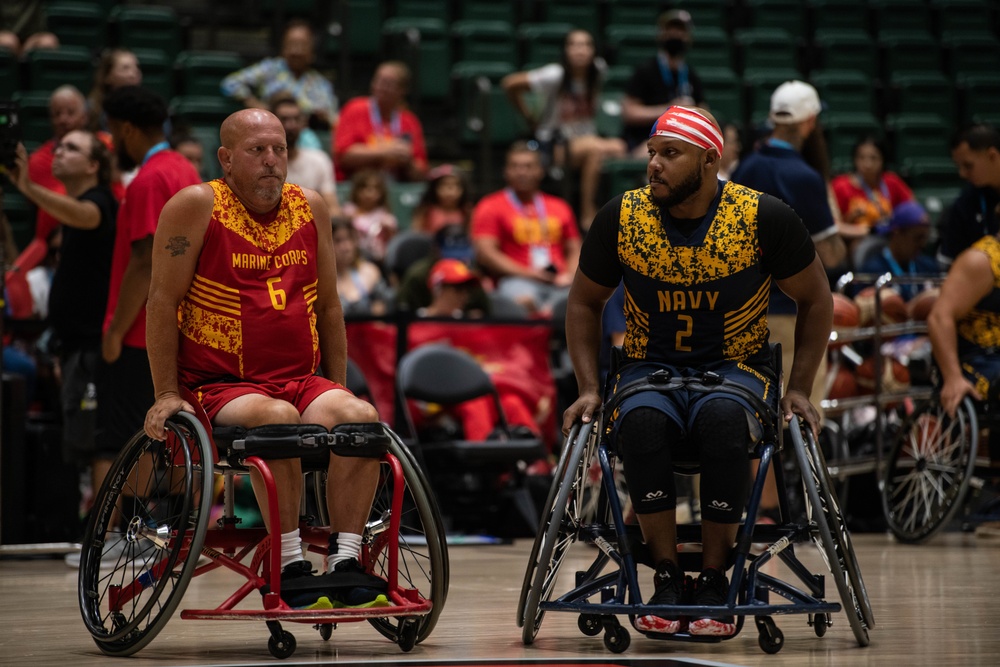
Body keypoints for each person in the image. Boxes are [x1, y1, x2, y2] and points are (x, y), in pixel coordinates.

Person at [563, 106, 831, 636]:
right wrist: (589, 388)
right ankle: (665, 574)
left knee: (724, 420)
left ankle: (713, 576)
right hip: (648, 368)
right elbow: (581, 303)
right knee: (638, 422)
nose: (654, 165)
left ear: (709, 161)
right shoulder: (623, 216)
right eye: (652, 154)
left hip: (737, 369)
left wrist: (799, 388)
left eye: (670, 154)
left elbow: (817, 300)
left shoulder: (762, 217)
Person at [143, 108, 386, 610]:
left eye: (279, 150)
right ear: (226, 159)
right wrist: (166, 393)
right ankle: (290, 559)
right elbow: (162, 302)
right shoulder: (194, 206)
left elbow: (330, 306)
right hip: (221, 384)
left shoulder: (311, 205)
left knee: (360, 418)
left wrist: (336, 386)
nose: (272, 161)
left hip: (300, 380)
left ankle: (346, 560)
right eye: (257, 151)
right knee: (280, 419)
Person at [3, 131, 117, 533]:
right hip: (73, 346)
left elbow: (83, 215)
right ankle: (94, 535)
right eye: (59, 145)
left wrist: (28, 187)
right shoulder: (73, 209)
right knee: (81, 446)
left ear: (93, 165)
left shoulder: (99, 201)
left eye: (72, 148)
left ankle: (108, 537)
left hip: (95, 347)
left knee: (100, 443)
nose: (58, 153)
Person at [502, 29, 627, 229]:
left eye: (586, 45)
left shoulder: (598, 70)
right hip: (554, 145)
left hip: (585, 141)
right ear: (565, 50)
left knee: (619, 148)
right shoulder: (555, 74)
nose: (581, 50)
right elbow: (510, 83)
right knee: (596, 150)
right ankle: (588, 213)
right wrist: (528, 116)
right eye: (574, 45)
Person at [470, 142, 581, 315]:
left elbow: (574, 248)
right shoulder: (490, 206)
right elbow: (485, 253)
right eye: (515, 167)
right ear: (505, 172)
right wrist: (529, 273)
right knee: (520, 300)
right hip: (517, 280)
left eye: (528, 166)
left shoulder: (560, 206)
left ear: (540, 171)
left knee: (582, 301)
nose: (522, 172)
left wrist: (571, 275)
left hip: (560, 281)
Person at [5, 87, 91, 287]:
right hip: (48, 249)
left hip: (92, 241)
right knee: (14, 285)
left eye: (70, 112)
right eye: (57, 114)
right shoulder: (37, 162)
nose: (63, 119)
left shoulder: (104, 148)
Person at [221, 19, 336, 147]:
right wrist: (253, 103)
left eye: (302, 45)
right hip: (268, 132)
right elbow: (230, 83)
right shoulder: (269, 69)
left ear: (312, 52)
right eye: (291, 45)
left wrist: (322, 116)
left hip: (304, 139)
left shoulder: (320, 83)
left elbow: (334, 119)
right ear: (283, 47)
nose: (296, 51)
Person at [620, 10, 705, 156]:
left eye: (680, 30)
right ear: (662, 34)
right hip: (645, 139)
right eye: (671, 29)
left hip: (682, 137)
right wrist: (669, 110)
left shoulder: (690, 74)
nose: (675, 34)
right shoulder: (646, 70)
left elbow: (704, 110)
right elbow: (630, 112)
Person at [333, 61, 428, 182]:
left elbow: (421, 173)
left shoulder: (409, 121)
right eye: (378, 81)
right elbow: (343, 155)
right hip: (356, 185)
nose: (381, 87)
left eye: (388, 84)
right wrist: (386, 152)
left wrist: (408, 162)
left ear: (402, 90)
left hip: (395, 185)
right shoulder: (355, 108)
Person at [938, 124, 1000, 268]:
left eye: (968, 166)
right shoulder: (966, 202)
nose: (962, 174)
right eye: (959, 167)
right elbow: (949, 262)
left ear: (992, 156)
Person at [831, 135, 914, 238]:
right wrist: (852, 217)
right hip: (855, 241)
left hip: (890, 238)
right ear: (854, 159)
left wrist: (892, 218)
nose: (867, 164)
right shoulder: (840, 185)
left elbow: (913, 210)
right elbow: (832, 226)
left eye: (873, 158)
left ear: (883, 160)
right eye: (861, 158)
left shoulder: (892, 182)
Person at [271, 93, 340, 216]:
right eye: (284, 119)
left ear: (303, 124)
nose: (291, 125)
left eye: (296, 119)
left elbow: (333, 209)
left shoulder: (319, 160)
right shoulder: (263, 163)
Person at [859, 201, 938, 300]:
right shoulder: (871, 271)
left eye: (925, 238)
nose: (922, 245)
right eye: (917, 238)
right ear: (897, 233)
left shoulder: (929, 267)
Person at [332, 216, 387, 316]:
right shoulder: (318, 280)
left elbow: (380, 313)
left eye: (349, 239)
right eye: (338, 241)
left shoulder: (370, 271)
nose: (346, 247)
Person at [342, 169, 397, 262]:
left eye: (375, 189)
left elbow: (393, 241)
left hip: (379, 259)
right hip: (353, 258)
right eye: (364, 188)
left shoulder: (385, 217)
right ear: (356, 191)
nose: (369, 193)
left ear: (381, 193)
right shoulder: (348, 212)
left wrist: (388, 230)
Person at [88, 49, 143, 132]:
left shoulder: (147, 108)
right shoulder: (91, 107)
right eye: (125, 68)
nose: (134, 74)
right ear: (107, 76)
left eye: (137, 67)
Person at [411, 164, 471, 236]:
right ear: (434, 188)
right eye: (444, 185)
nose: (450, 192)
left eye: (456, 185)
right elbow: (415, 236)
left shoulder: (467, 211)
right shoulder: (425, 210)